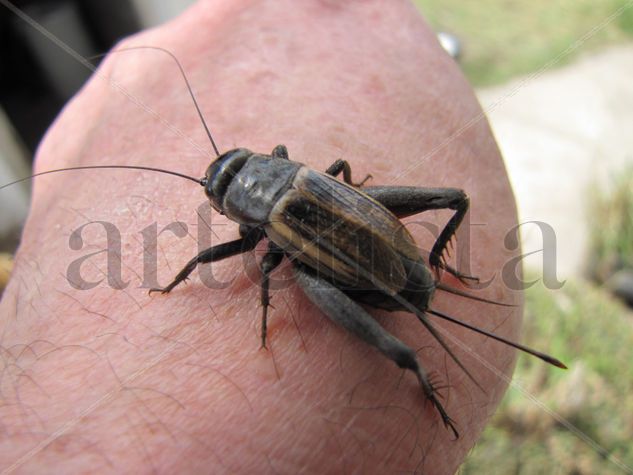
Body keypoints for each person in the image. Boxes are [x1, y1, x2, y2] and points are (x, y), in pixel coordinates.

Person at [0, 0, 522, 472]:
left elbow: (237, 262)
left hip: (362, 270)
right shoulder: (295, 168)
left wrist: (192, 285)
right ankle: (436, 284)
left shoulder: (263, 231)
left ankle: (417, 368)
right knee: (434, 199)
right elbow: (338, 170)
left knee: (292, 267)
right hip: (366, 246)